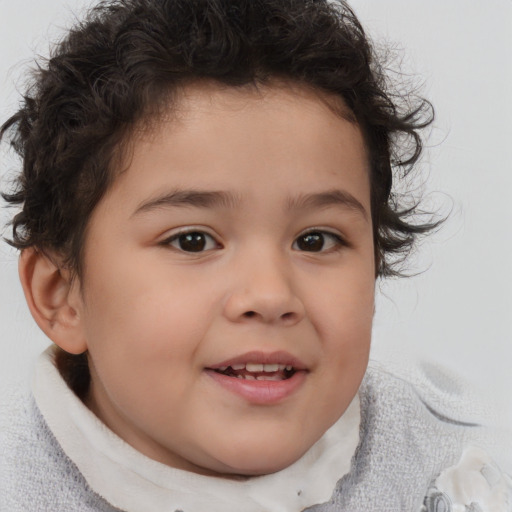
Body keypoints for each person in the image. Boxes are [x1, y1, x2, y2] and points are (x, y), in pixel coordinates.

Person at [0, 0, 510, 510]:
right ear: (61, 296)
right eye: (192, 240)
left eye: (316, 240)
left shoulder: (462, 468)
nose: (270, 295)